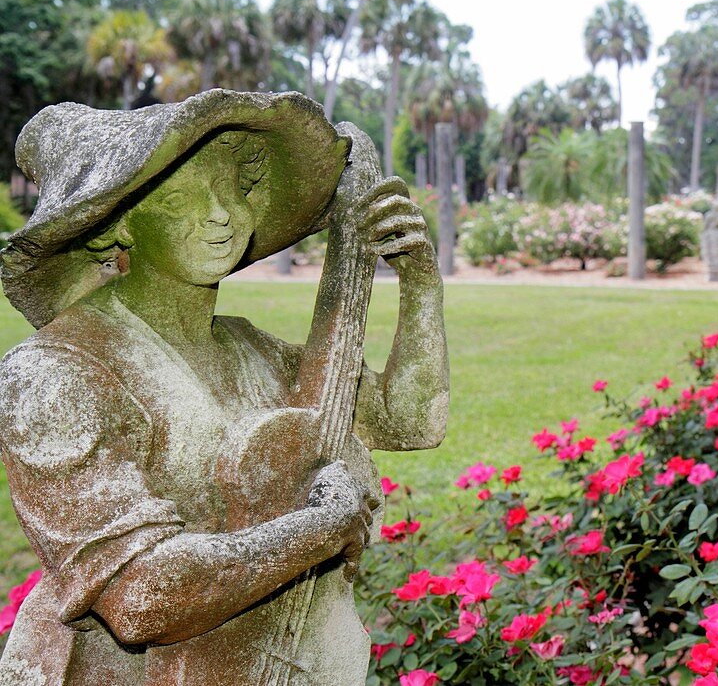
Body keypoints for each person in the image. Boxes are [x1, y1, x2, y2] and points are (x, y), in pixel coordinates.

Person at [0, 90, 448, 685]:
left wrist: (421, 287)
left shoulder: (248, 349)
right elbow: (140, 593)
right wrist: (320, 529)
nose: (220, 215)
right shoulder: (53, 374)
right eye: (184, 197)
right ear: (122, 221)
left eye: (233, 188)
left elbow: (411, 420)